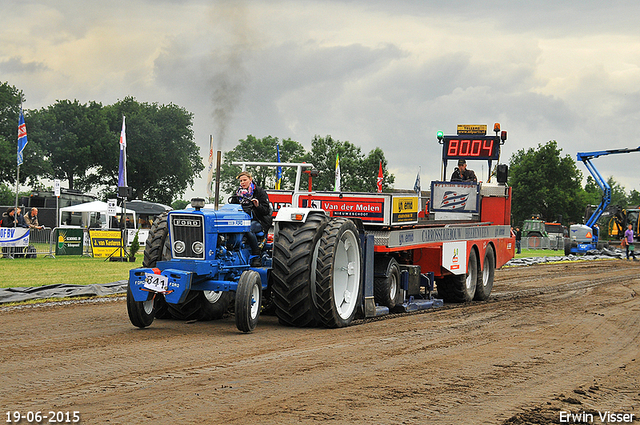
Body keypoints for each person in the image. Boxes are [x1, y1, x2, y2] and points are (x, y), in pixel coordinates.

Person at [230, 171, 273, 267]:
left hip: (258, 220)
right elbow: (232, 207)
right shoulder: (237, 194)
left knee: (248, 229)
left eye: (245, 180)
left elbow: (266, 211)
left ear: (250, 180)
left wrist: (257, 206)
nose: (242, 182)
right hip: (241, 220)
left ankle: (256, 254)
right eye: (241, 181)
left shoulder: (259, 192)